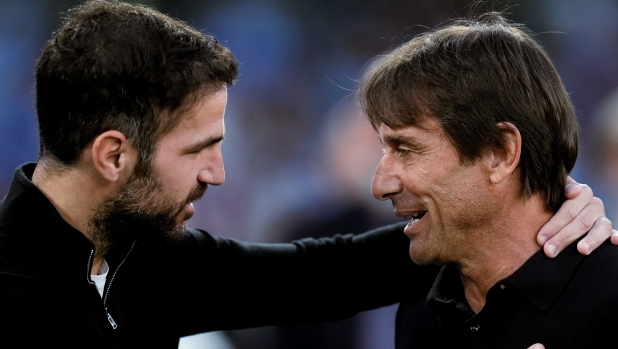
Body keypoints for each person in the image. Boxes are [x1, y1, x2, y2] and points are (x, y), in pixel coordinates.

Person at [0, 2, 612, 348]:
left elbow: (322, 275)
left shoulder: (142, 259)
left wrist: (523, 209)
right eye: (199, 149)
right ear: (113, 156)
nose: (218, 173)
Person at [359, 12, 618, 349]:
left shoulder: (609, 298)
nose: (380, 186)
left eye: (406, 149)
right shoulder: (423, 304)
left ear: (500, 152)